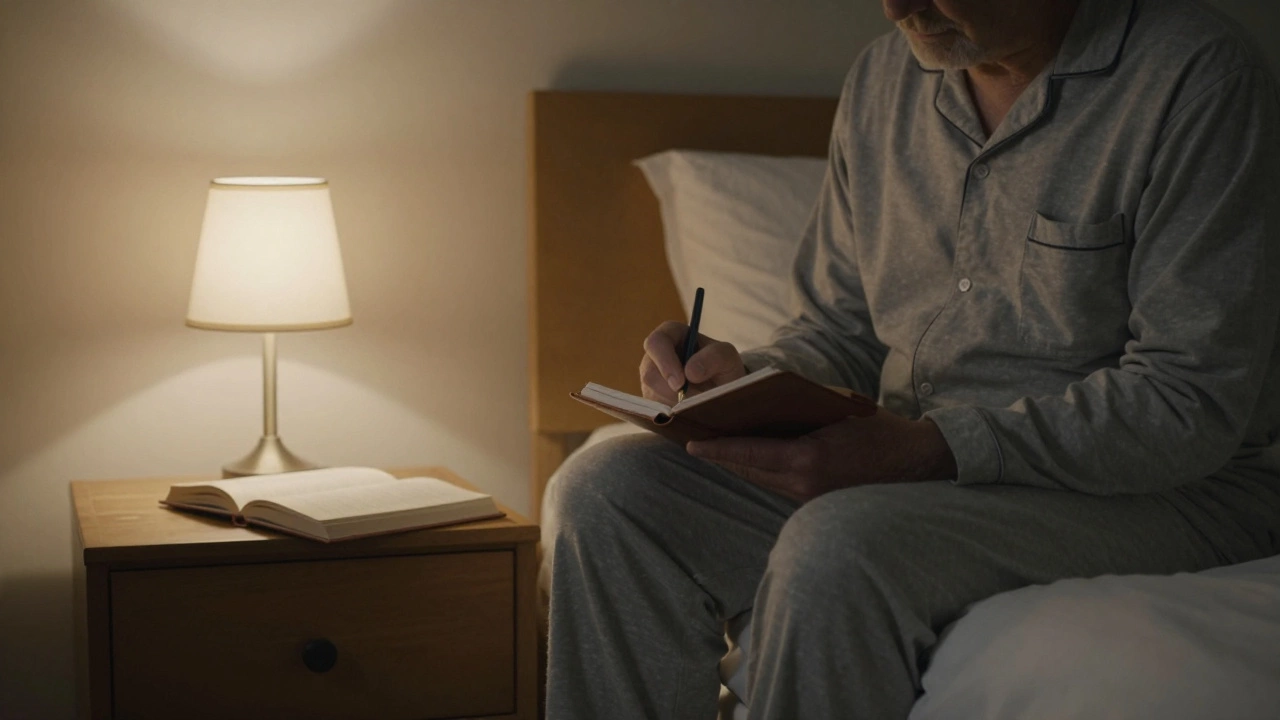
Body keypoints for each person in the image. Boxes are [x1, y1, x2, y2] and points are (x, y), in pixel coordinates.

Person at [545, 0, 1280, 717]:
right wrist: (743, 381)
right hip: (912, 469)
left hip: (1156, 491)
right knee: (605, 488)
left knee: (838, 545)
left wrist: (930, 450)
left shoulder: (1197, 78)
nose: (898, 9)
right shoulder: (882, 82)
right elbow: (842, 329)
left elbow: (1189, 402)